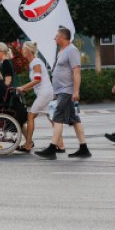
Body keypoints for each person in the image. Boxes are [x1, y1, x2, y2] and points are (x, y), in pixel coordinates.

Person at [34, 27, 91, 159]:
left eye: (56, 36)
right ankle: (84, 148)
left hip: (67, 90)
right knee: (74, 119)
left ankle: (52, 149)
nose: (54, 38)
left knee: (57, 117)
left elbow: (76, 72)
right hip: (61, 91)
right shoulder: (62, 51)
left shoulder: (72, 50)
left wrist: (76, 91)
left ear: (62, 38)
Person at [17, 41, 52, 152]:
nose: (22, 51)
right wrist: (26, 89)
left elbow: (37, 79)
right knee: (52, 119)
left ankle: (28, 144)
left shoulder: (36, 62)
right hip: (45, 92)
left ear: (29, 51)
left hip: (44, 94)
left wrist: (23, 87)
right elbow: (38, 83)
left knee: (30, 116)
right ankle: (60, 145)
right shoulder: (34, 62)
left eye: (24, 49)